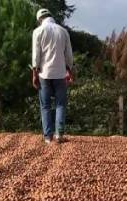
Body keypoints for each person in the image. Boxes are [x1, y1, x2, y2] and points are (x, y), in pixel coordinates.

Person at [32, 8, 74, 144]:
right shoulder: (63, 31)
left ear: (40, 19)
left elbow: (36, 56)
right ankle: (59, 135)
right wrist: (69, 71)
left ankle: (47, 137)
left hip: (44, 73)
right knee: (60, 104)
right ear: (51, 16)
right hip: (60, 73)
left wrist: (34, 74)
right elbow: (68, 55)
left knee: (45, 106)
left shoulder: (38, 31)